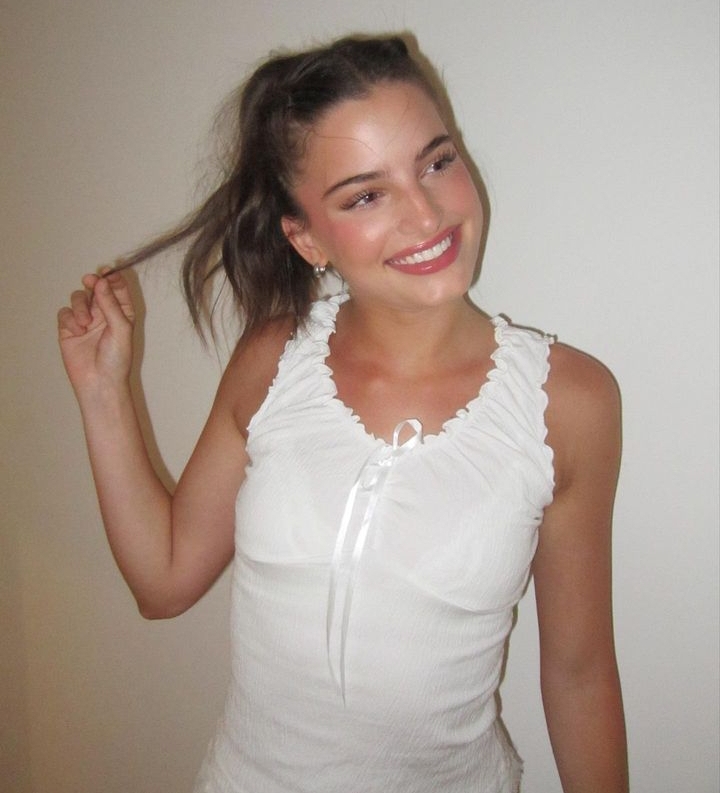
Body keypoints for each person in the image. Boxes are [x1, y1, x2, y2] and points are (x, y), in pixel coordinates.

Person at [57, 34, 628, 793]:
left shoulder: (568, 403)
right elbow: (163, 583)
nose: (426, 213)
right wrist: (103, 392)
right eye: (366, 195)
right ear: (305, 238)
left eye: (436, 162)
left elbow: (580, 673)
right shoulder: (273, 361)